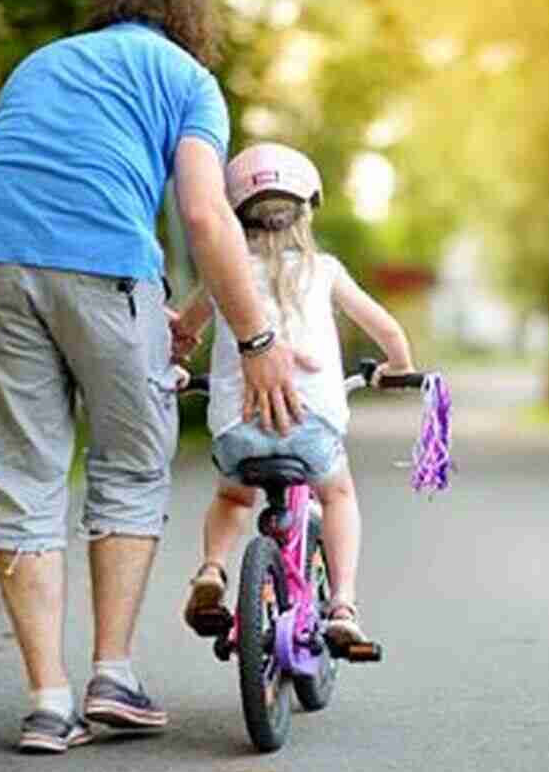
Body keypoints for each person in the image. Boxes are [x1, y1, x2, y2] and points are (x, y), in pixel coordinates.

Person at [0, 0, 314, 754]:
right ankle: (113, 674)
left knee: (24, 475)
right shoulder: (187, 79)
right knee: (133, 462)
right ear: (191, 22)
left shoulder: (42, 62)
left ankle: (46, 701)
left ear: (109, 8)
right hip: (105, 258)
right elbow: (209, 218)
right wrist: (259, 339)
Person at [173, 142, 414, 648]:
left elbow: (184, 336)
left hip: (238, 430)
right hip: (312, 428)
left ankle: (213, 567)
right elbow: (388, 331)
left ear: (234, 214)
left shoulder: (222, 277)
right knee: (339, 494)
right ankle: (343, 603)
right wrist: (397, 369)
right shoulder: (324, 271)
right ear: (307, 210)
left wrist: (175, 368)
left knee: (232, 495)